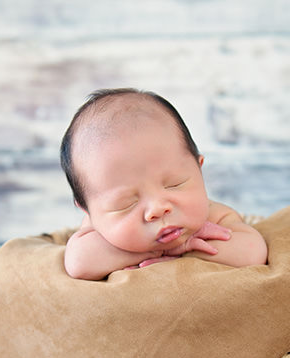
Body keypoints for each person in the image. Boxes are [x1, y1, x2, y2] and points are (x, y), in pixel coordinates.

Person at [61, 88, 268, 280]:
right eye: (126, 203)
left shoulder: (214, 216)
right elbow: (79, 263)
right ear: (87, 210)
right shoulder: (96, 231)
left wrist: (190, 247)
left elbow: (252, 251)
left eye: (174, 184)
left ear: (199, 169)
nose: (158, 209)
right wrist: (154, 250)